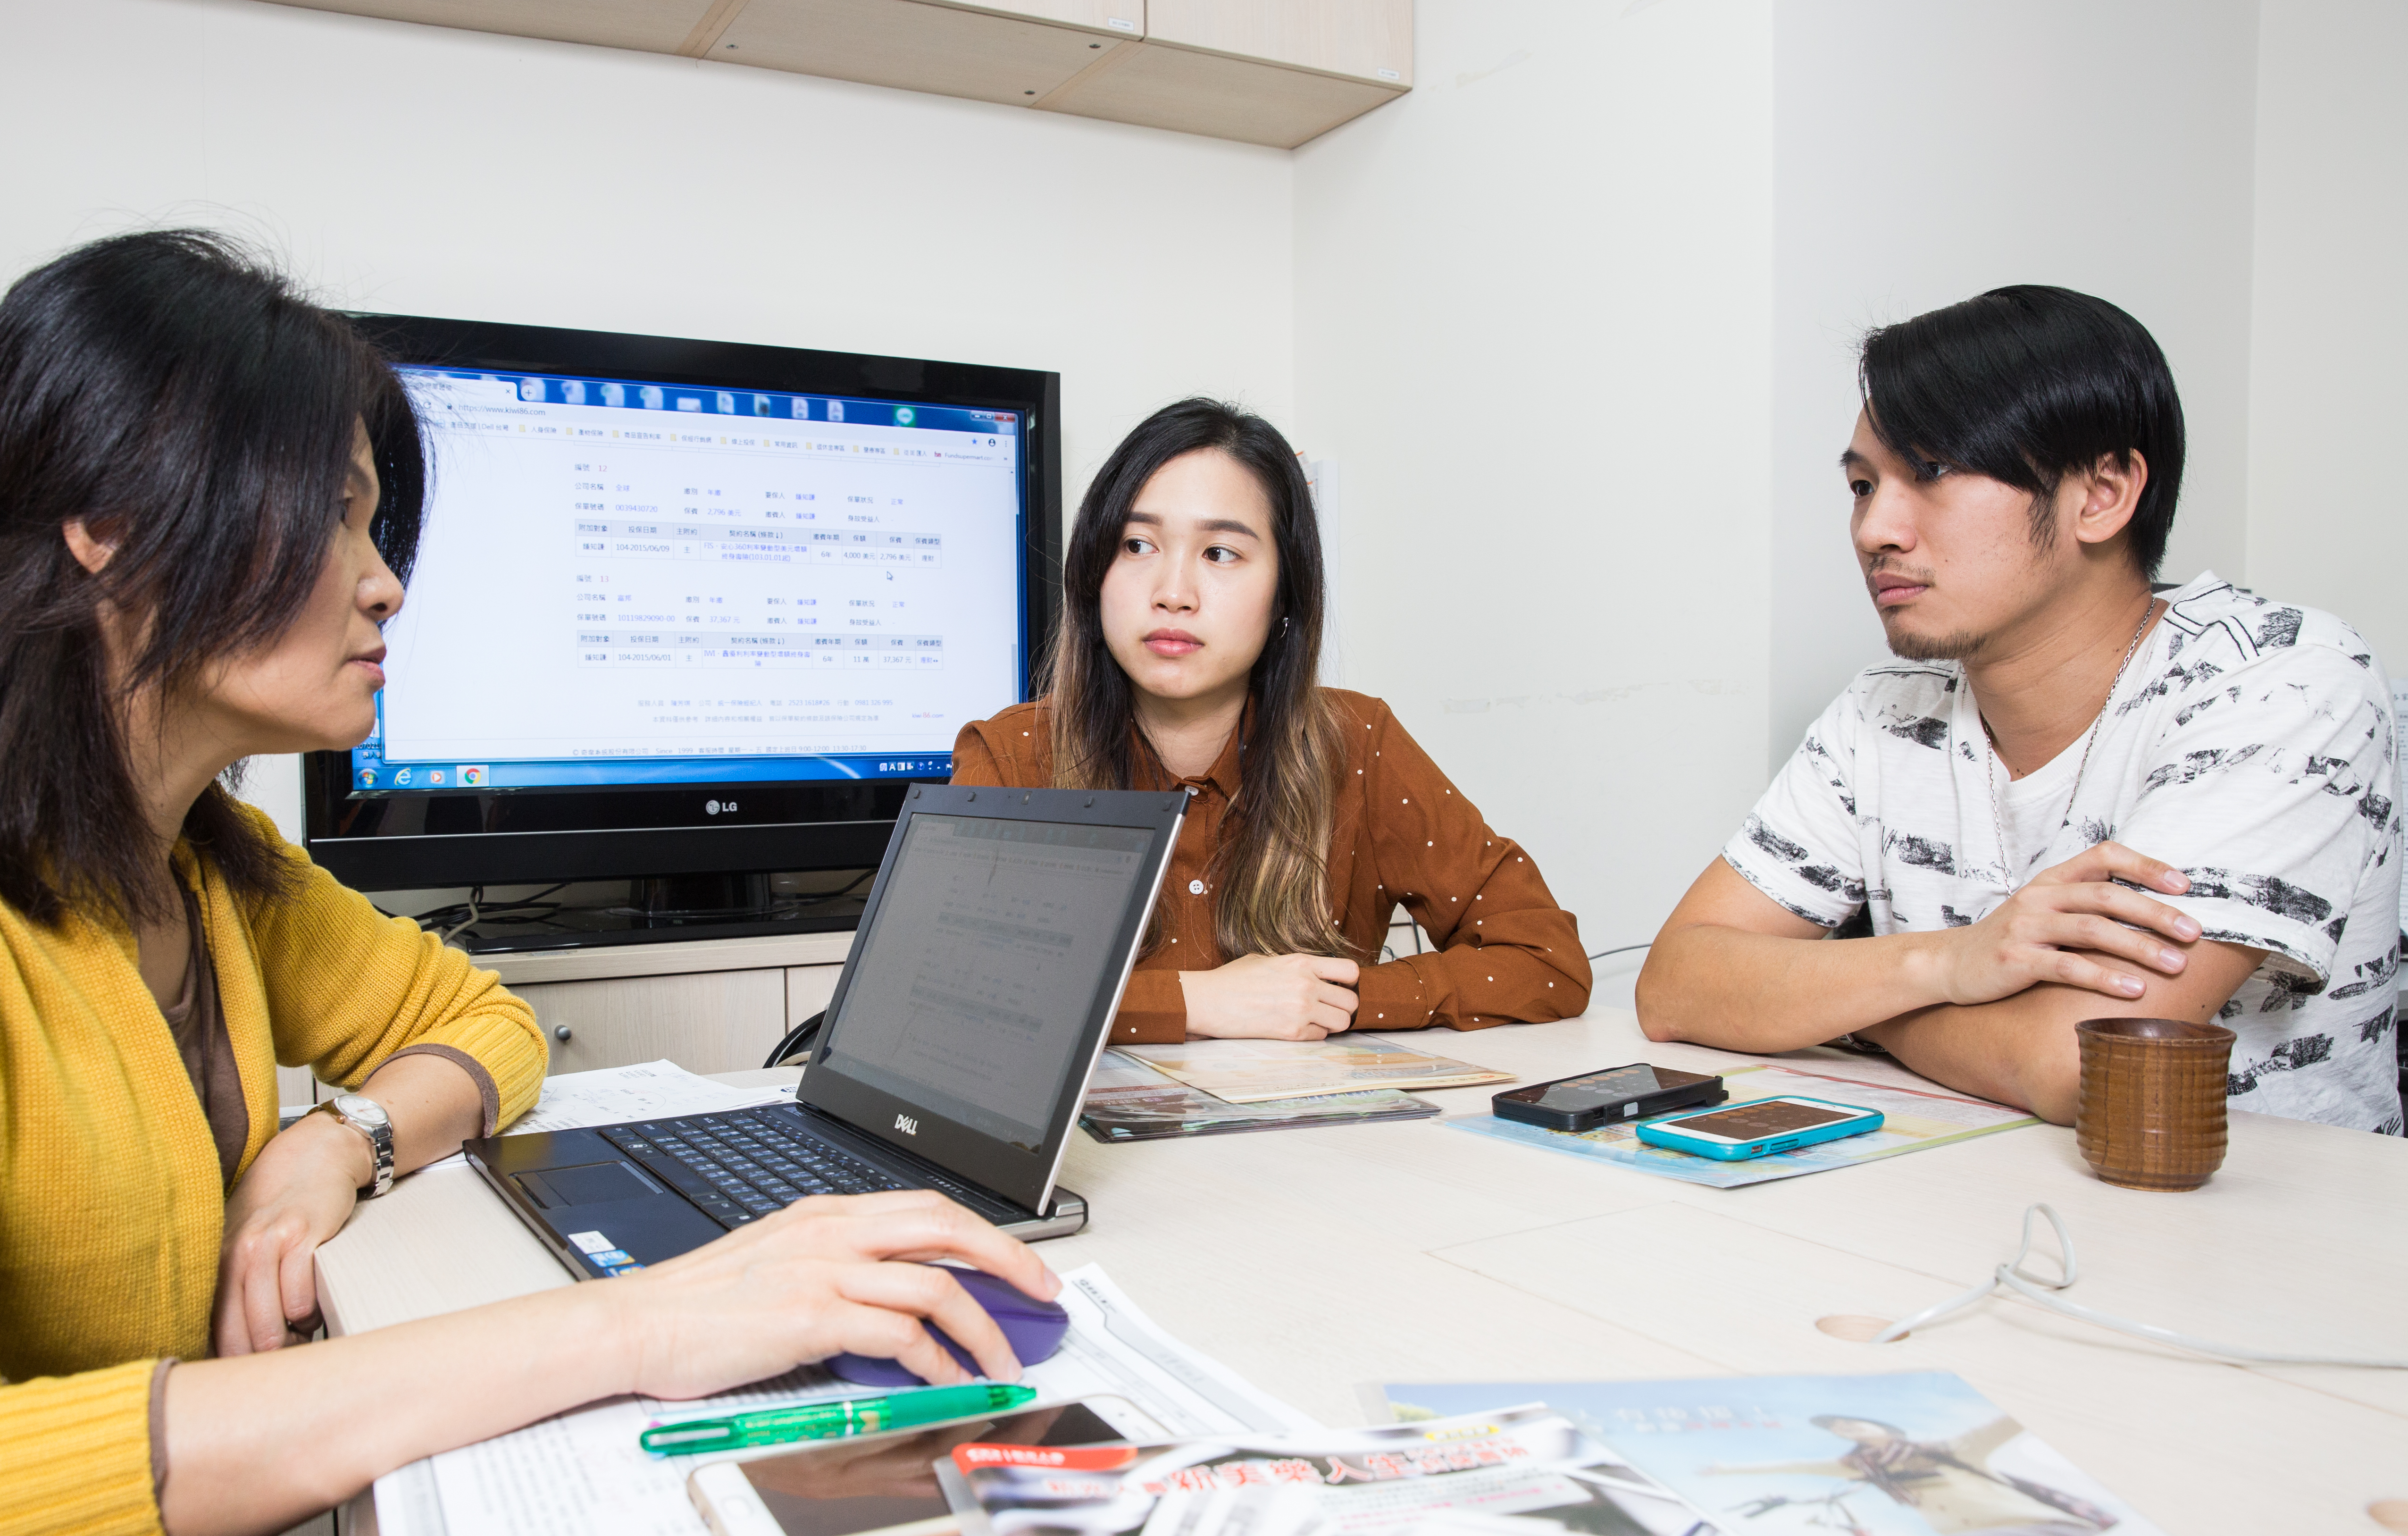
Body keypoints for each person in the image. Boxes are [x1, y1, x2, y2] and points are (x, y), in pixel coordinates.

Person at [0, 231, 1059, 1536]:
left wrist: (334, 1142)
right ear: (102, 519)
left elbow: (483, 1020)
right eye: (336, 516)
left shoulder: (207, 865)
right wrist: (636, 1327)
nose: (387, 581)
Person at [1637, 286, 2400, 1133]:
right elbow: (1677, 984)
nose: (1873, 530)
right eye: (1861, 485)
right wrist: (1950, 961)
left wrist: (1833, 1000)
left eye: (1928, 472)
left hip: (2267, 1234)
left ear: (2102, 494)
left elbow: (2078, 1064)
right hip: (1964, 1204)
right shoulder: (1884, 712)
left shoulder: (2282, 681)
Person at [952, 398, 1588, 1045]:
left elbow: (1546, 962)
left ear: (1286, 591)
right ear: (1094, 573)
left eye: (1221, 554)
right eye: (1137, 544)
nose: (1173, 592)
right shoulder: (1011, 755)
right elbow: (948, 991)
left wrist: (1331, 999)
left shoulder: (1357, 742)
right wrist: (1195, 1003)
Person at [1702, 1414, 2113, 1536]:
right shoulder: (1860, 1469)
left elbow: (2006, 1423)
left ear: (1885, 1429)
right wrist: (1724, 1469)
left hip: (2042, 1528)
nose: (1847, 1432)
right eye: (1842, 1431)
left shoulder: (1953, 1451)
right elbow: (1796, 1467)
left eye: (1853, 1425)